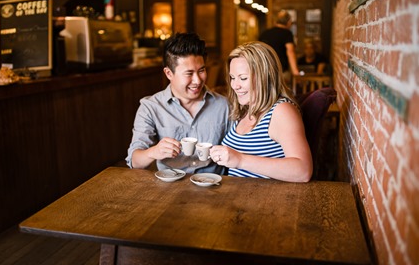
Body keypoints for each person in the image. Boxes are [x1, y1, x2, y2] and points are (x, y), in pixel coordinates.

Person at [126, 32, 230, 174]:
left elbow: (240, 151)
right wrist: (153, 152)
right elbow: (134, 161)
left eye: (201, 70)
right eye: (189, 73)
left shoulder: (224, 105)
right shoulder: (151, 107)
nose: (198, 80)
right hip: (171, 187)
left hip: (216, 186)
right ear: (169, 73)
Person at [209, 41, 312, 182]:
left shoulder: (282, 111)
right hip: (237, 196)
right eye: (232, 78)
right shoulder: (246, 108)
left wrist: (240, 160)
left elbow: (303, 170)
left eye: (243, 78)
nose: (235, 85)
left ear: (265, 77)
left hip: (266, 200)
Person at [259, 10, 299, 87]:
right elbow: (290, 51)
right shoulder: (287, 33)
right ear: (289, 22)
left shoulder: (265, 33)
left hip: (265, 72)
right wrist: (295, 72)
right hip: (281, 72)